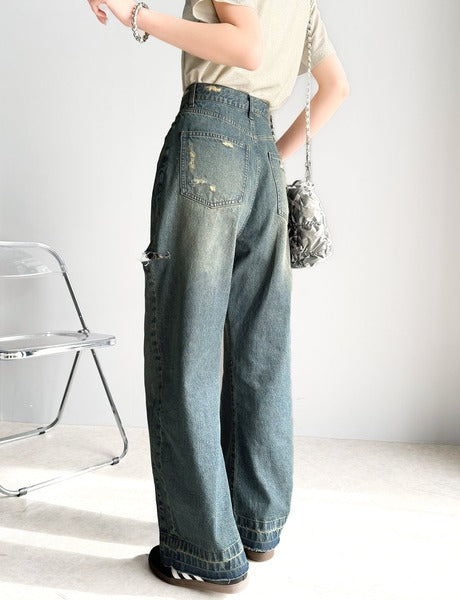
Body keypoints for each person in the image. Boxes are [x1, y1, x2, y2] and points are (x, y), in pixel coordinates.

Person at [89, 0, 349, 593]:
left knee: (188, 348)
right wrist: (266, 158)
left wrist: (138, 16)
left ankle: (202, 550)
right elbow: (336, 85)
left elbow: (245, 45)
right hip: (262, 159)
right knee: (260, 351)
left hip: (209, 137)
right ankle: (257, 527)